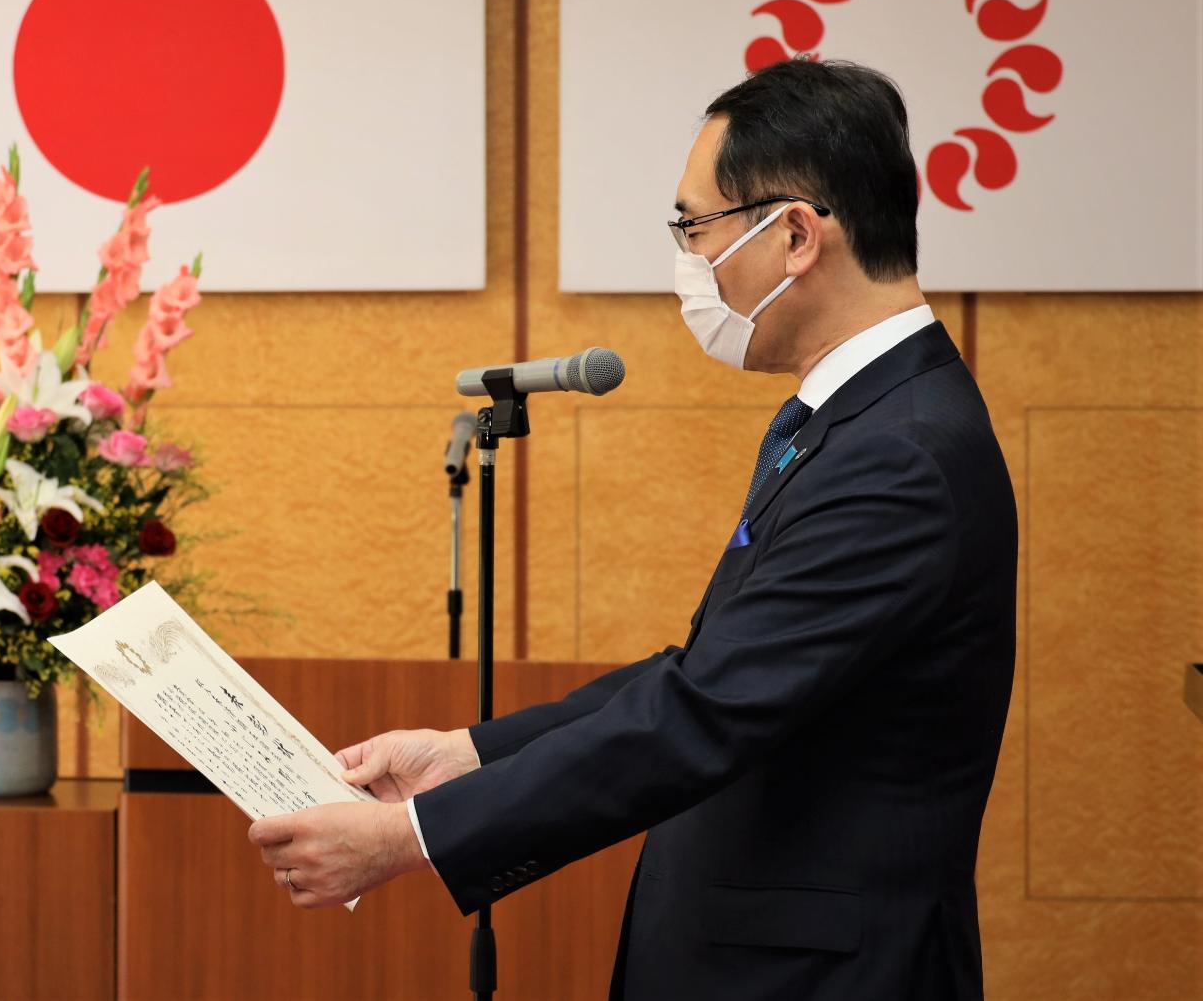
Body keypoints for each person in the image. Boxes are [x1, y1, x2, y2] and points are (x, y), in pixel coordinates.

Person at [249, 59, 1018, 1000]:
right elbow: (705, 672)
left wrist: (412, 839)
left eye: (696, 227)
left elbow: (705, 715)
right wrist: (468, 753)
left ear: (796, 235)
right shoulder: (857, 418)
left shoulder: (901, 451)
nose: (689, 261)